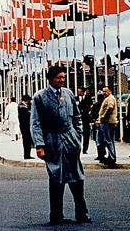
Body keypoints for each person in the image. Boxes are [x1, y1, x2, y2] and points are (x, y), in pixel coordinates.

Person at [31, 66, 91, 225]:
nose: (62, 80)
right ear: (50, 79)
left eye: (63, 77)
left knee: (77, 177)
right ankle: (56, 215)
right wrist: (39, 145)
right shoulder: (40, 97)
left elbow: (77, 116)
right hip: (52, 141)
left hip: (70, 139)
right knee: (56, 178)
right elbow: (35, 123)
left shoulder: (69, 94)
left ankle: (82, 213)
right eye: (58, 77)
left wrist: (78, 136)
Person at [96, 87, 117, 166]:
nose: (104, 93)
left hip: (107, 122)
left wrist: (104, 117)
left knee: (108, 140)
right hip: (107, 122)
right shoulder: (107, 98)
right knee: (107, 140)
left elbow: (110, 108)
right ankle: (110, 156)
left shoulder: (110, 99)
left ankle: (111, 157)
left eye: (106, 91)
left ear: (110, 91)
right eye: (103, 91)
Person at [77, 88, 93, 154]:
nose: (79, 93)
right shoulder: (76, 98)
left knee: (86, 134)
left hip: (85, 118)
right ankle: (78, 147)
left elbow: (91, 106)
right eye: (78, 91)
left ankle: (85, 149)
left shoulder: (88, 98)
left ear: (83, 92)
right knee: (78, 134)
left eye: (80, 91)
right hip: (78, 119)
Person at [18, 95, 34, 159]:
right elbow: (28, 115)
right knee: (26, 140)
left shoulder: (24, 106)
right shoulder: (22, 106)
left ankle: (28, 154)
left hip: (26, 126)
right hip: (25, 126)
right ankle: (26, 155)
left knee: (28, 140)